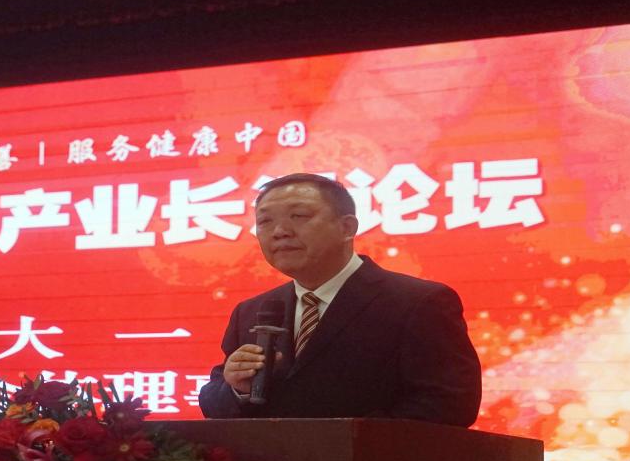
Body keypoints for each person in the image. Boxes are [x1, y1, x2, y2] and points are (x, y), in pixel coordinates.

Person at [198, 172, 481, 425]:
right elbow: (214, 402)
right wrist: (236, 389)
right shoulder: (252, 311)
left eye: (299, 216)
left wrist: (347, 441)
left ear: (347, 228)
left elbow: (450, 404)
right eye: (265, 221)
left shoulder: (419, 302)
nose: (280, 232)